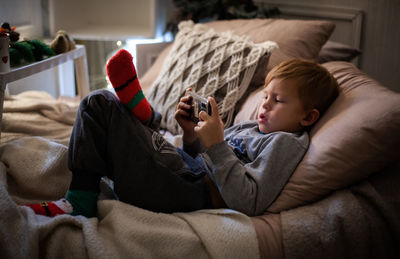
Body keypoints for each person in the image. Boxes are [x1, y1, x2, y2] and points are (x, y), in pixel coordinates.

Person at [26, 49, 339, 217]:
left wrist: (216, 142)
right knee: (100, 102)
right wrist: (191, 135)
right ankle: (147, 117)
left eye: (279, 100)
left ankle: (81, 199)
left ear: (308, 116)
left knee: (98, 104)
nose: (265, 105)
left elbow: (250, 201)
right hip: (184, 170)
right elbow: (200, 157)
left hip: (190, 192)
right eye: (266, 96)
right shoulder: (252, 128)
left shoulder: (286, 143)